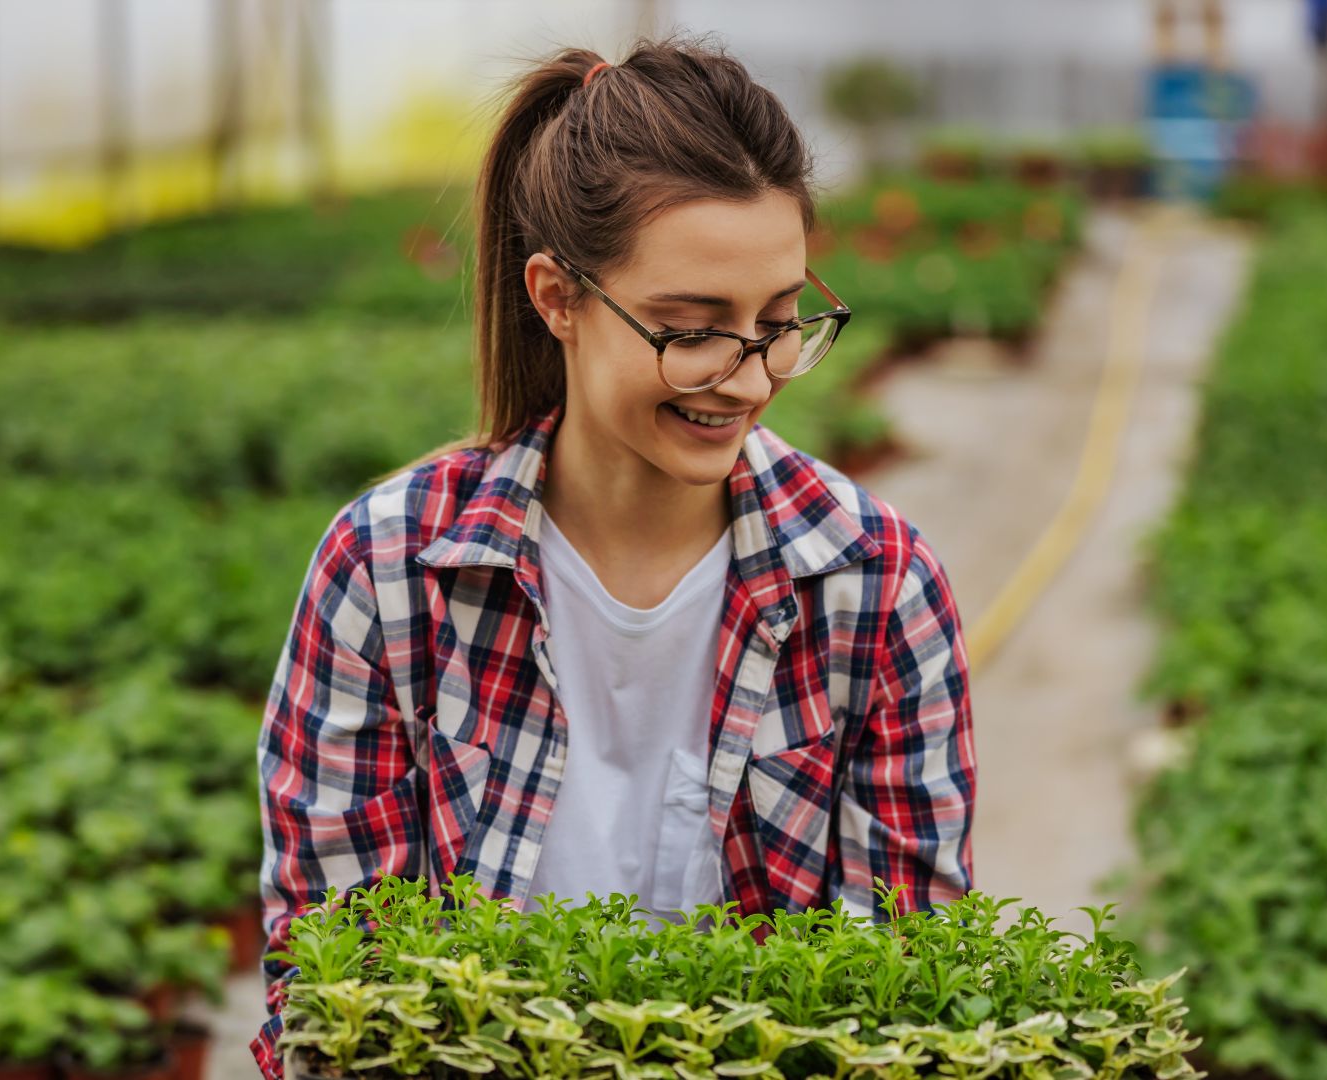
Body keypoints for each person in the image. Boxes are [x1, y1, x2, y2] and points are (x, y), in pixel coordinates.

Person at [249, 32, 976, 1080]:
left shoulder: (874, 584)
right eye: (691, 328)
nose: (747, 376)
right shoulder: (391, 570)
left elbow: (910, 988)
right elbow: (330, 994)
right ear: (557, 297)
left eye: (778, 322)